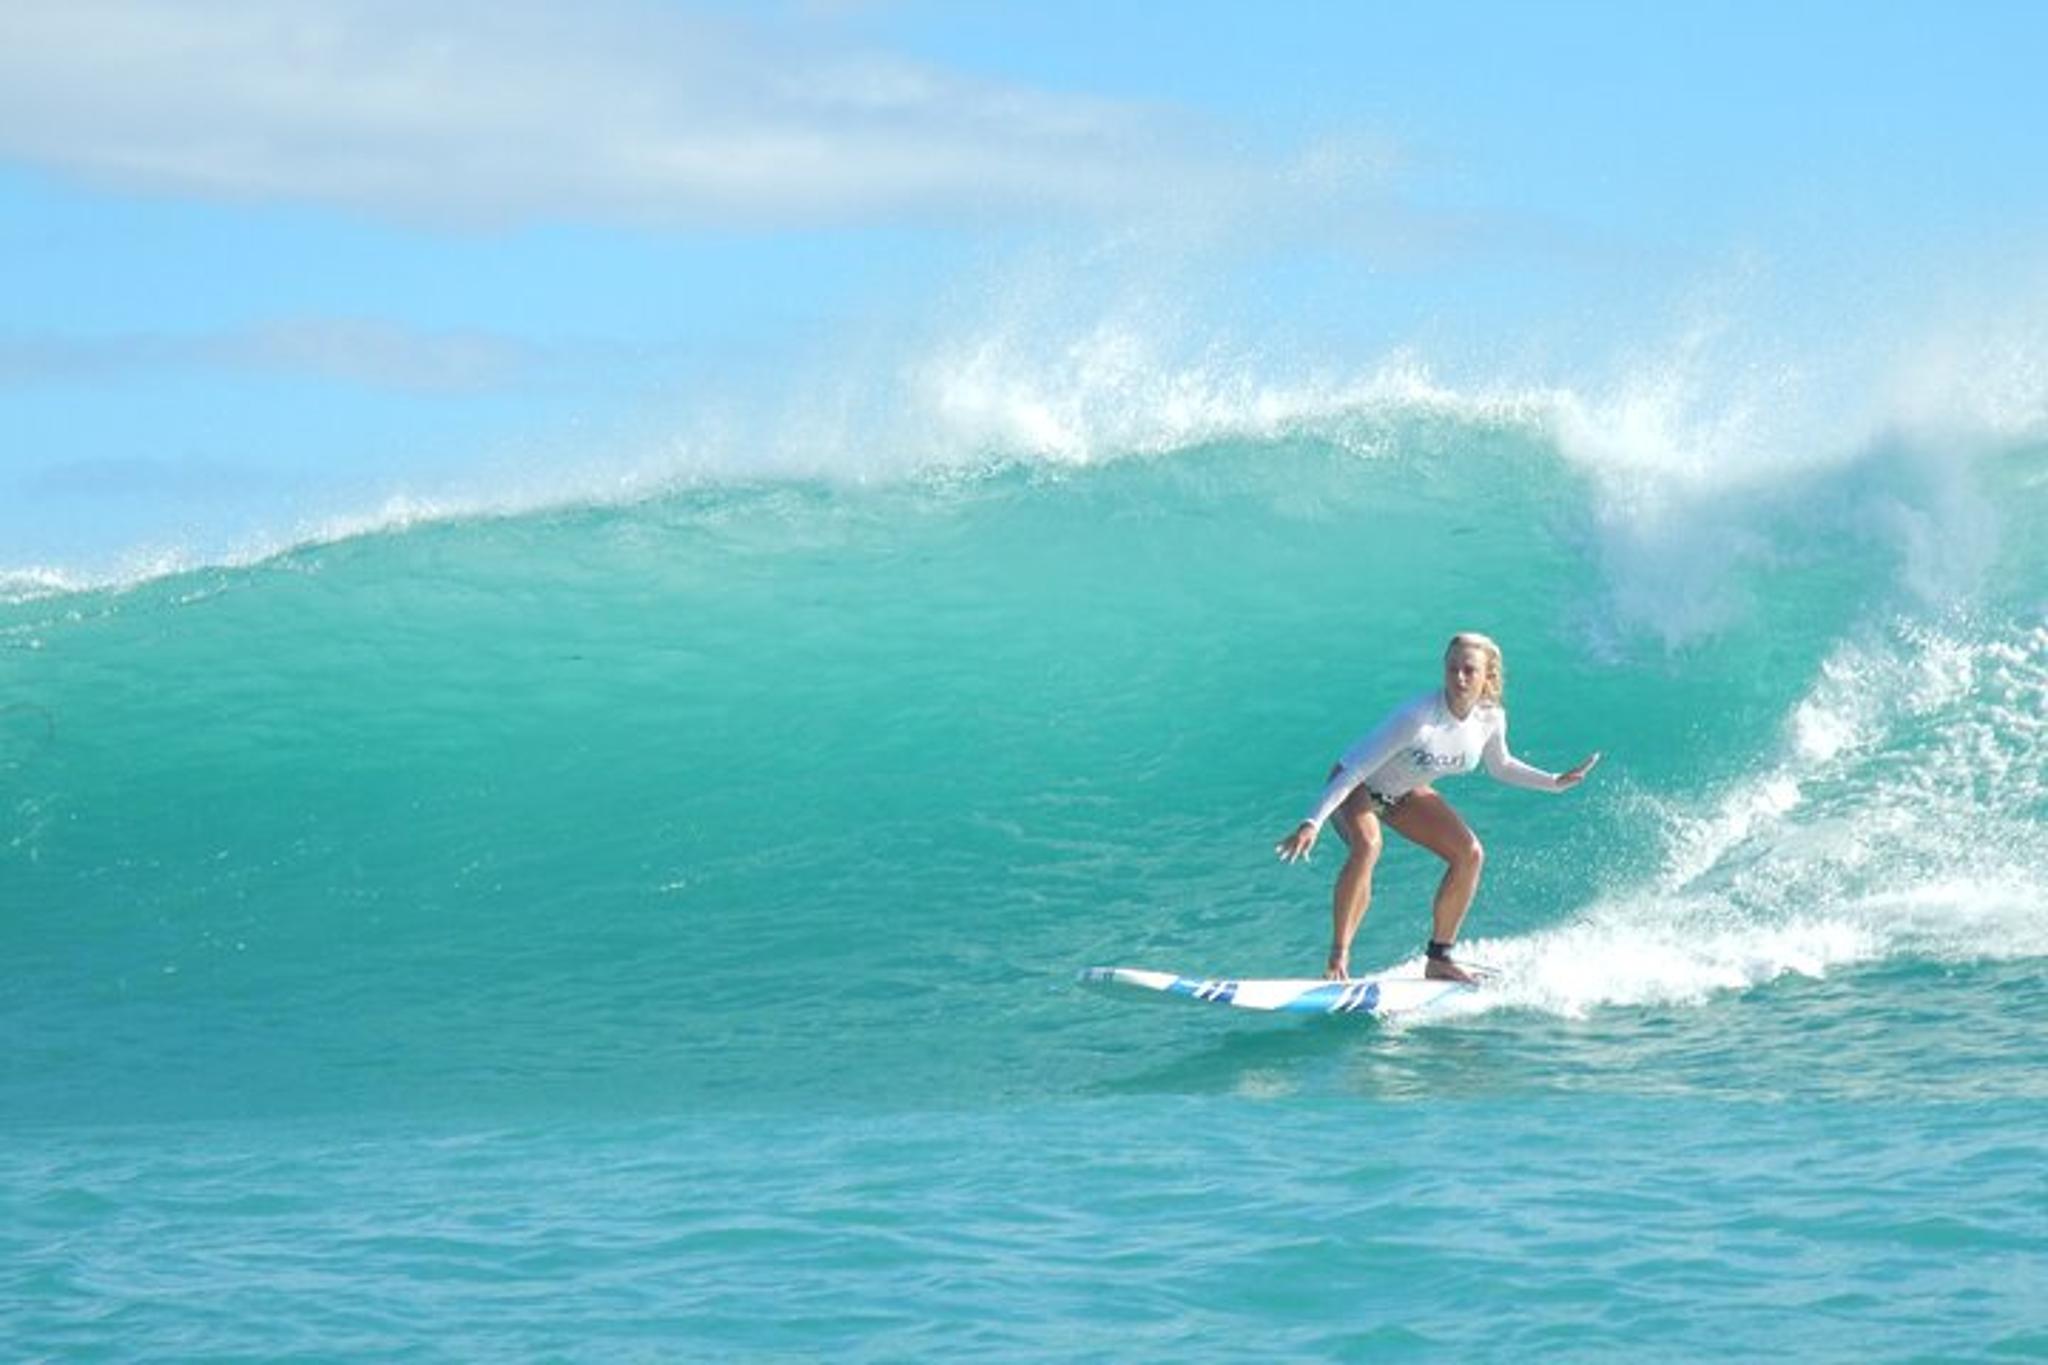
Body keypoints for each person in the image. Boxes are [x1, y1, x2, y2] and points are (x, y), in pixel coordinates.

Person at [1274, 632, 1600, 984]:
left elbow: (1500, 766)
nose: (1458, 678)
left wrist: (1554, 782)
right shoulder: (1417, 716)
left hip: (1404, 793)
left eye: (1469, 671)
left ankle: (1439, 958)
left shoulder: (1490, 718)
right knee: (1368, 846)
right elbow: (1355, 770)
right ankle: (1338, 959)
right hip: (1357, 787)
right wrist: (1312, 821)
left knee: (1469, 853)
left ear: (1486, 677)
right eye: (1452, 669)